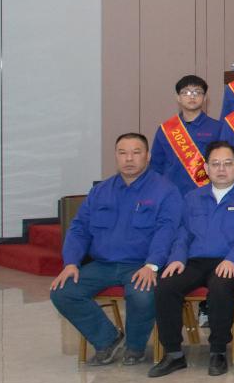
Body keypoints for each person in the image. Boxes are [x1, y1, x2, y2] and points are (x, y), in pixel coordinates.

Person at [50, 134, 182, 366]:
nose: (129, 158)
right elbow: (79, 228)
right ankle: (107, 339)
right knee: (63, 291)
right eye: (123, 153)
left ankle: (135, 347)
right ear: (116, 156)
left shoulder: (165, 190)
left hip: (141, 264)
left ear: (148, 156)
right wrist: (71, 262)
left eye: (136, 152)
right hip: (103, 264)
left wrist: (152, 265)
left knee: (142, 294)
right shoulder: (100, 191)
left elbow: (167, 231)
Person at [148, 142, 234, 377]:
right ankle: (173, 354)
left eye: (227, 164)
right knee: (166, 286)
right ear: (206, 168)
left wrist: (232, 259)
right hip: (195, 261)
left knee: (220, 287)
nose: (221, 169)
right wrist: (177, 259)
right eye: (215, 164)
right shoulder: (192, 197)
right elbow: (183, 233)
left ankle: (218, 351)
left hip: (230, 261)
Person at [150, 75, 222, 193]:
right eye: (186, 92)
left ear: (205, 98)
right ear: (178, 97)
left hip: (205, 193)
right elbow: (156, 166)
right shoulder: (166, 129)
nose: (192, 96)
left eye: (197, 92)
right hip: (171, 193)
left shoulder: (217, 128)